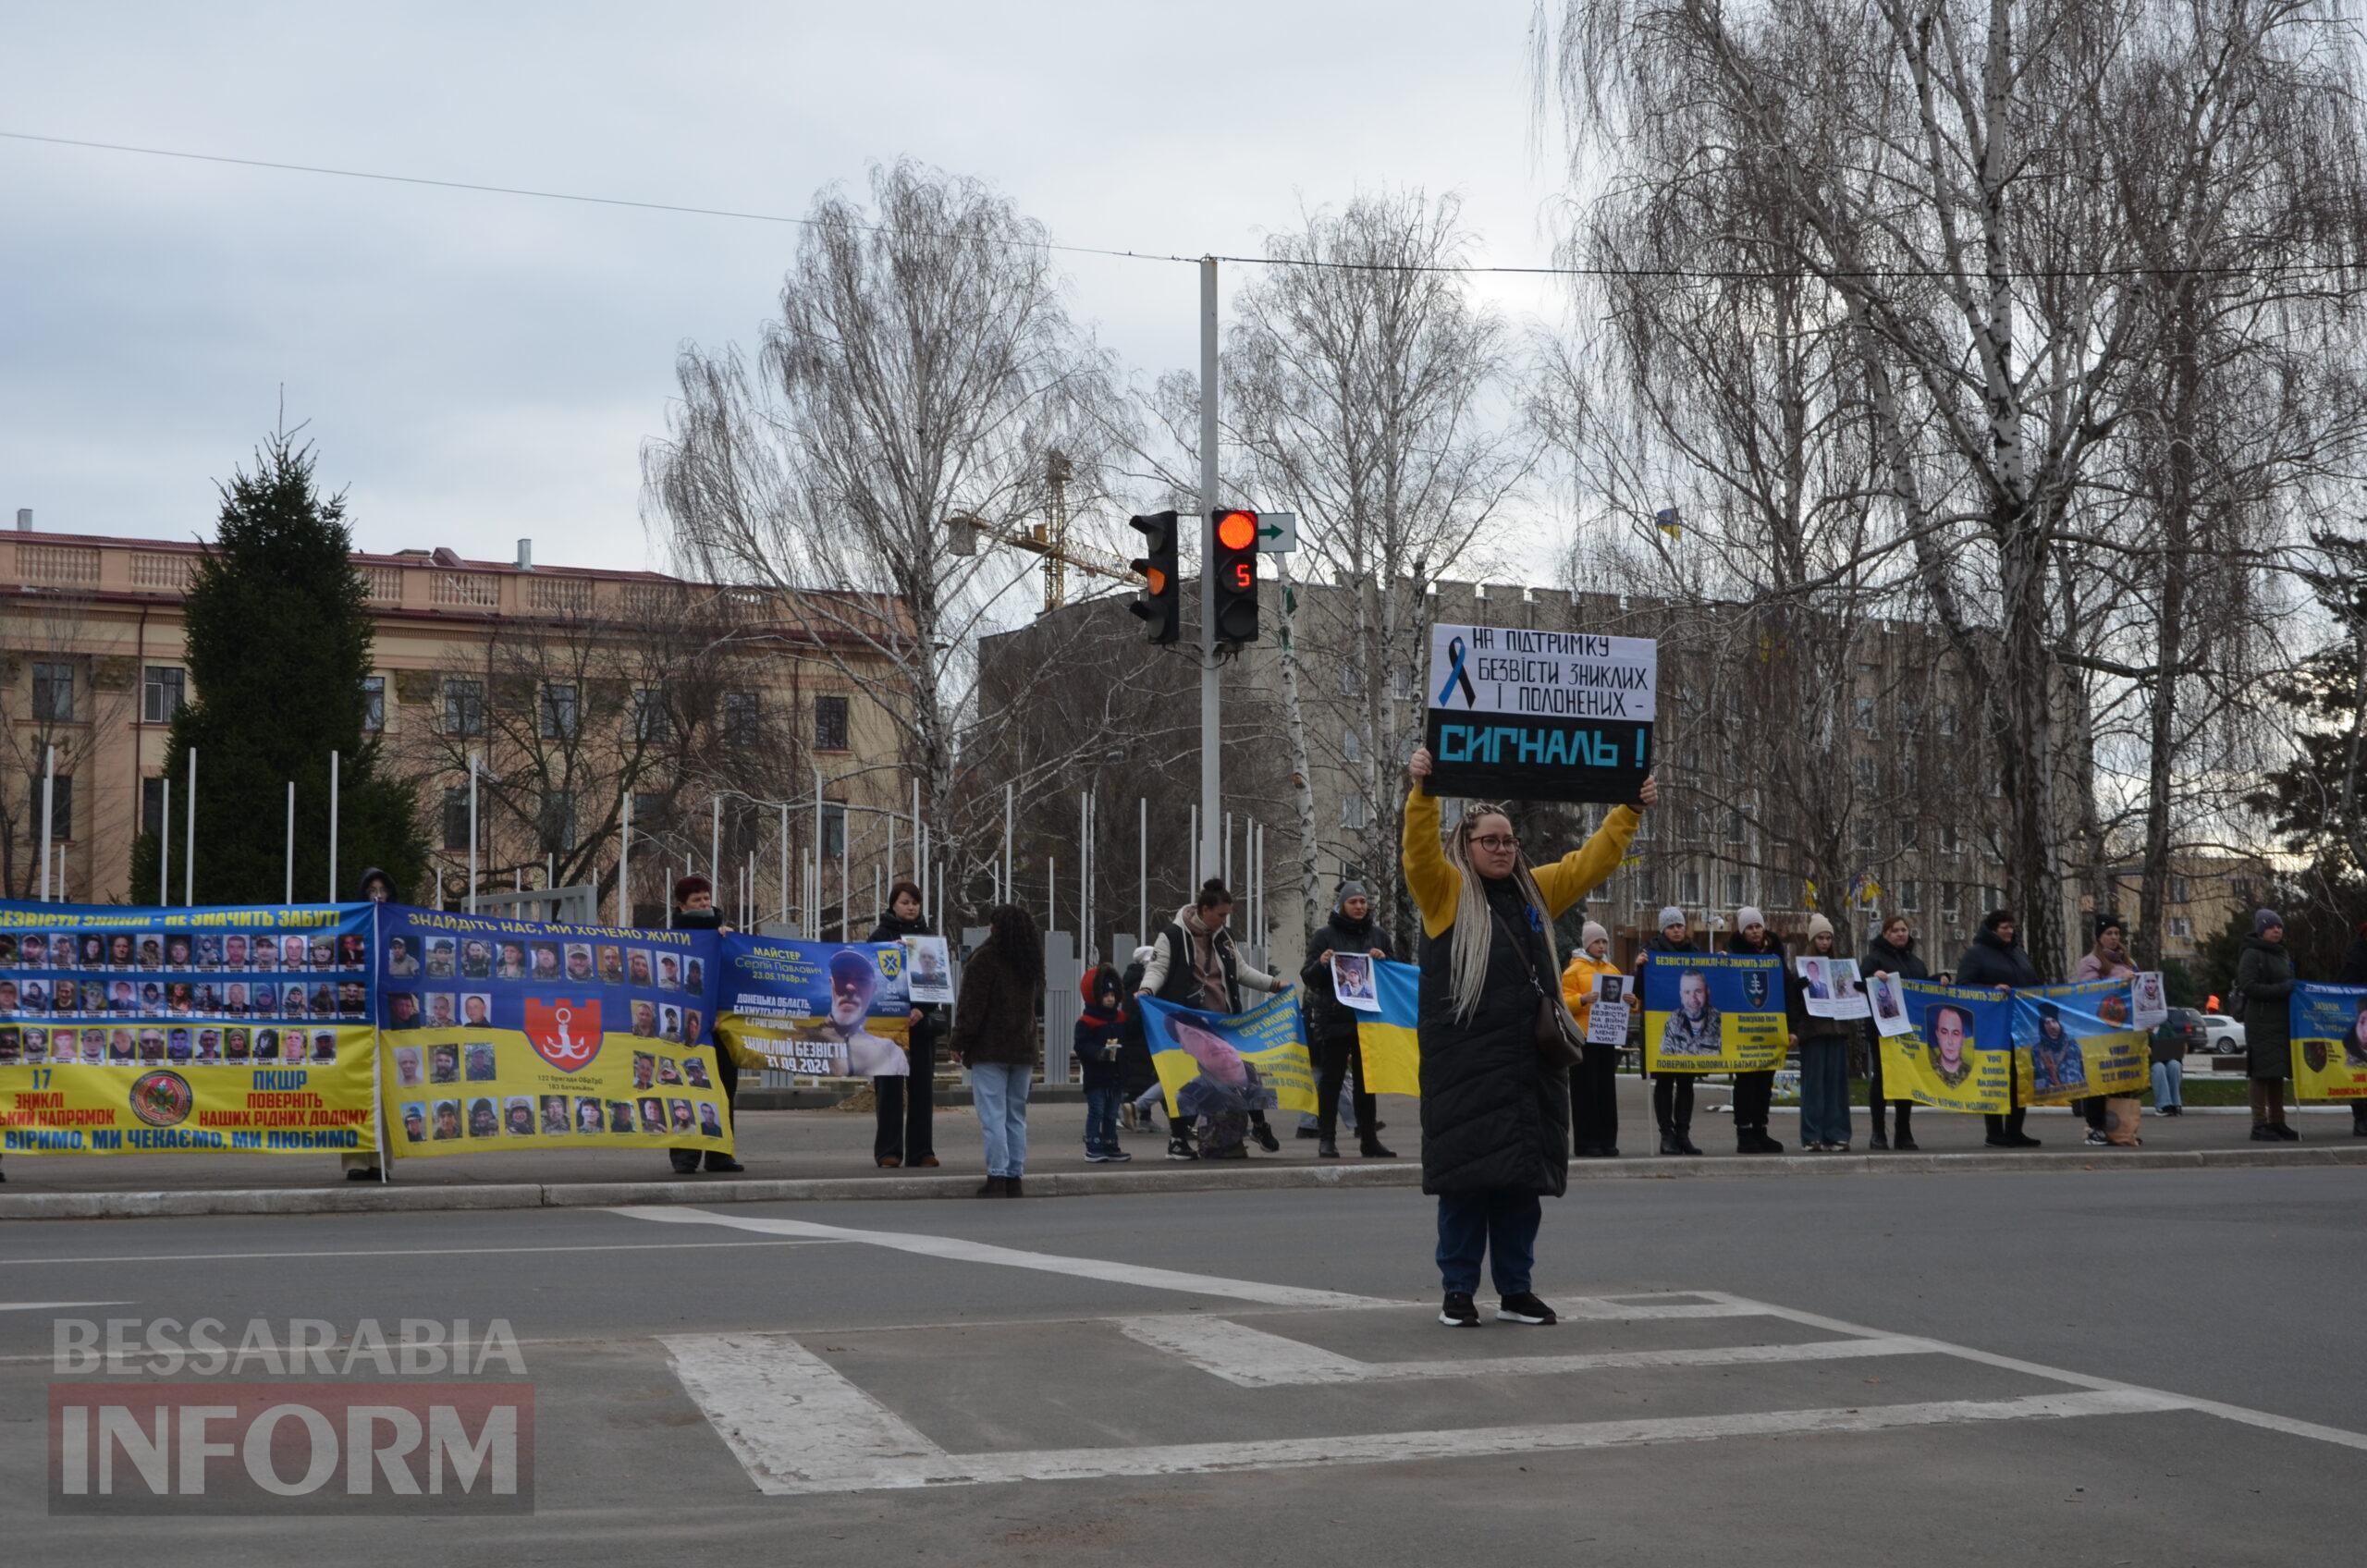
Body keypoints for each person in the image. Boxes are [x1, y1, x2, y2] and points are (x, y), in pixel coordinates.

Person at [1401, 743, 1652, 1329]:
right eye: (1489, 840)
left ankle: (1516, 1290)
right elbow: (1416, 852)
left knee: (1520, 1186)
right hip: (1464, 1067)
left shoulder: (1535, 892)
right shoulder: (1444, 894)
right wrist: (1422, 793)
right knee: (1466, 1187)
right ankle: (1458, 1291)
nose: (1502, 848)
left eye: (1509, 839)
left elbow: (1590, 863)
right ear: (1464, 847)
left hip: (1528, 1067)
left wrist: (1628, 811)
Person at [1137, 879, 1293, 1158]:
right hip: (1190, 1023)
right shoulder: (1172, 935)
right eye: (1220, 914)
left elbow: (1241, 970)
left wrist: (1273, 984)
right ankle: (1178, 1140)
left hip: (1223, 1021)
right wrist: (1147, 989)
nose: (1224, 920)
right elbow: (1158, 968)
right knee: (1186, 1078)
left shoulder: (1223, 936)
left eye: (1227, 915)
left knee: (1245, 1071)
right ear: (1204, 909)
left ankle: (1258, 1124)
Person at [1300, 881, 1396, 1160]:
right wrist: (1321, 962)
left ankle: (1369, 1140)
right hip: (1334, 1018)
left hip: (1368, 1020)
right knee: (1331, 1081)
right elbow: (1309, 977)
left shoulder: (1378, 936)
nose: (1359, 906)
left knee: (1368, 1084)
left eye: (1363, 902)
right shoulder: (1324, 936)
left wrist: (1384, 959)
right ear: (1342, 904)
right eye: (1353, 902)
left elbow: (1393, 974)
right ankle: (1327, 1140)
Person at [952, 903, 1043, 1197]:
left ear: (995, 928)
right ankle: (1015, 1176)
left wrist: (959, 1041)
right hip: (1024, 1048)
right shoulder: (1029, 960)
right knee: (1016, 1114)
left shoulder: (985, 959)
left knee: (992, 1114)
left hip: (990, 1049)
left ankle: (997, 1176)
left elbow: (971, 1008)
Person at [667, 874, 749, 1175]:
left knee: (724, 1090)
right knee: (687, 1089)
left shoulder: (725, 937)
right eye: (696, 900)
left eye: (706, 898)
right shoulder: (673, 939)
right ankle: (685, 1156)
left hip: (722, 1029)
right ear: (681, 906)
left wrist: (730, 942)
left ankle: (720, 1154)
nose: (703, 903)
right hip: (687, 1029)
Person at [866, 881, 941, 1170]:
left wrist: (922, 1009)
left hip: (921, 1026)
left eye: (915, 903)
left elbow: (937, 981)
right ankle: (888, 1151)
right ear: (893, 905)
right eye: (905, 902)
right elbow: (872, 979)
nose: (911, 907)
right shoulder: (880, 936)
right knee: (889, 1088)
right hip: (889, 1027)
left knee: (922, 1089)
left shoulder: (928, 938)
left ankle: (922, 1151)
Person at [1957, 908, 2042, 1147]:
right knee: (1994, 1078)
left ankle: (2015, 1130)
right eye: (2004, 927)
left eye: (2011, 927)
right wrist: (1992, 989)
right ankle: (1994, 1133)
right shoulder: (1976, 954)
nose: (2009, 931)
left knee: (2020, 1078)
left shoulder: (2018, 953)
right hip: (1991, 1028)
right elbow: (1963, 986)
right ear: (1992, 929)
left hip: (2021, 1026)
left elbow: (2033, 982)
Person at [341, 867, 401, 1182]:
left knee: (383, 1094)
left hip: (386, 1021)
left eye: (382, 888)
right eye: (370, 890)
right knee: (353, 1092)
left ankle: (381, 1162)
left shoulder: (397, 925)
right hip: (356, 1020)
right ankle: (355, 1162)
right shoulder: (352, 926)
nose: (377, 894)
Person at [1723, 907, 1788, 1154]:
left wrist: (1790, 1028)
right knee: (1746, 1083)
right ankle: (1744, 1133)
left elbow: (1785, 992)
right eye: (1749, 927)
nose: (1754, 931)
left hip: (1770, 1030)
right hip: (1743, 1033)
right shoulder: (1732, 956)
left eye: (1757, 926)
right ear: (1742, 931)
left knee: (1764, 1083)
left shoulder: (1776, 956)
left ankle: (1761, 1130)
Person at [1861, 913, 1927, 1149]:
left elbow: (1924, 990)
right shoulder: (1874, 960)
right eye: (1896, 930)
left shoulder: (1916, 963)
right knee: (1881, 1079)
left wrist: (1941, 979)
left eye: (1904, 930)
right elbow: (1859, 985)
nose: (1901, 934)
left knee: (1906, 1079)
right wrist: (1872, 978)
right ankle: (1878, 1133)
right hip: (1883, 1031)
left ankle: (1904, 1132)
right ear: (1886, 934)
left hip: (1909, 1031)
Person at [1560, 920, 1625, 1158]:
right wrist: (1582, 999)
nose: (1601, 946)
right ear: (1587, 944)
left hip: (1606, 1037)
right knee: (1585, 1091)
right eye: (1597, 941)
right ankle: (1586, 1142)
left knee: (1606, 1091)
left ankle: (1608, 1141)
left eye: (1604, 941)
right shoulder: (1573, 971)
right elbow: (1563, 1003)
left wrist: (1632, 1002)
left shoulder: (1613, 971)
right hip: (1584, 1038)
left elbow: (1626, 1005)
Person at [1641, 907, 1703, 1156]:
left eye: (1679, 925)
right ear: (1663, 930)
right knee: (1665, 1082)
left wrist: (1722, 964)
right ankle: (1666, 1135)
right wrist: (1639, 968)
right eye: (1671, 926)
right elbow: (1637, 991)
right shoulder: (1650, 952)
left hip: (1691, 1029)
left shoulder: (1695, 952)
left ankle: (1683, 1134)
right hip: (1663, 1028)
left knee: (1687, 1082)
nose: (1677, 930)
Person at [2235, 909, 2299, 1142]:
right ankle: (2259, 1124)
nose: (2277, 930)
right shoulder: (2252, 953)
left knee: (2276, 1073)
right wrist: (2283, 989)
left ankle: (2278, 1121)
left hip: (2280, 1022)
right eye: (2271, 927)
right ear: (2261, 930)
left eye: (2279, 926)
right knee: (2261, 1074)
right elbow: (2248, 986)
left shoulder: (2281, 953)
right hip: (2261, 1022)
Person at [2072, 913, 2135, 1145]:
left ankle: (2120, 1128)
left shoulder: (2127, 962)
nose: (2114, 937)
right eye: (2108, 933)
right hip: (2097, 1031)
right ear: (2099, 937)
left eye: (2117, 933)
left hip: (2123, 1030)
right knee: (2099, 1080)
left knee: (2122, 1079)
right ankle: (2095, 1127)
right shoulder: (2090, 962)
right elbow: (2089, 992)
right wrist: (2120, 983)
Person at [1796, 914, 1852, 1151]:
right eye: (1820, 937)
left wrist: (1855, 989)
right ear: (1812, 939)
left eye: (1828, 937)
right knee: (1814, 1087)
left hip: (1836, 1031)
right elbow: (1794, 1002)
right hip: (1813, 1033)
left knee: (1837, 1086)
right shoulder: (1803, 969)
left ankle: (1837, 1133)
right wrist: (1798, 988)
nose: (1825, 942)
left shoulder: (1840, 966)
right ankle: (1812, 1136)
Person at [1073, 965, 1132, 1163]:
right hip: (1096, 1077)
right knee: (1097, 1111)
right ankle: (1093, 1144)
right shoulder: (1087, 1021)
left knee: (1110, 1114)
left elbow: (1132, 1037)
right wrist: (1099, 1053)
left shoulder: (1120, 1018)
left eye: (1113, 994)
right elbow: (1081, 1046)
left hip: (1115, 1076)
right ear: (1095, 996)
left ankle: (1110, 1144)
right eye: (1105, 995)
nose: (1110, 999)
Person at [2341, 919, 2367, 1137]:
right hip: (2361, 1019)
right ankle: (2361, 1120)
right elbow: (2346, 985)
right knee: (2360, 1072)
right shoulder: (2357, 956)